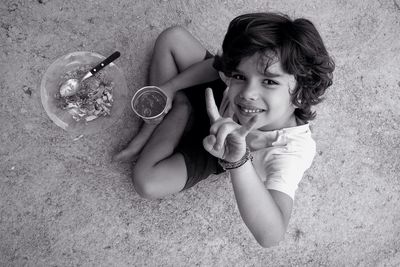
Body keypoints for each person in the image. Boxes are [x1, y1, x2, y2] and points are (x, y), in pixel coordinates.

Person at [113, 12, 335, 247]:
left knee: (147, 182)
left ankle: (180, 109)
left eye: (269, 81)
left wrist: (238, 161)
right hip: (216, 97)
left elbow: (271, 236)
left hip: (224, 149)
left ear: (301, 94)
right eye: (240, 76)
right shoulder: (238, 82)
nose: (248, 93)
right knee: (173, 38)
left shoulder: (291, 149)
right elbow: (219, 67)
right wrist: (170, 87)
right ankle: (156, 120)